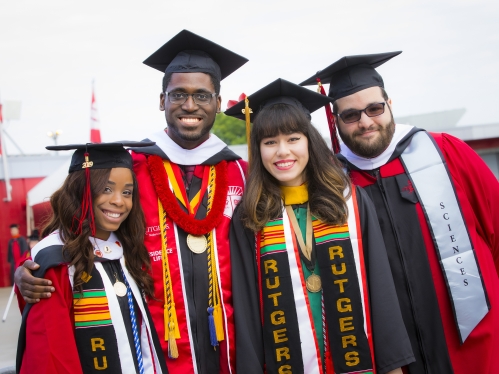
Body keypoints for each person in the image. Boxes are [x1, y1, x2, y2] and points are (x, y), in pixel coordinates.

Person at [15, 30, 249, 374]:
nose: (189, 105)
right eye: (178, 95)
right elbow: (74, 228)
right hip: (152, 345)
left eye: (202, 95)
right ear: (161, 100)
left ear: (217, 101)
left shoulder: (241, 174)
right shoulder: (130, 169)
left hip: (231, 342)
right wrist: (27, 269)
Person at [300, 52, 499, 374]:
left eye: (374, 109)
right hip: (391, 357)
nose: (365, 122)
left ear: (389, 103)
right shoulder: (332, 183)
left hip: (476, 344)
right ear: (334, 120)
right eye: (350, 115)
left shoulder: (446, 153)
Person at [225, 79, 414, 374]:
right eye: (269, 142)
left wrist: (392, 366)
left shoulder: (349, 201)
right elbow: (247, 310)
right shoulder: (251, 217)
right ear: (258, 149)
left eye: (293, 138)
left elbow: (380, 287)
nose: (282, 152)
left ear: (309, 141)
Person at [16, 142, 168, 374]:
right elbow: (51, 356)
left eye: (127, 192)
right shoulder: (57, 261)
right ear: (81, 190)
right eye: (107, 189)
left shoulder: (128, 250)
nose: (119, 201)